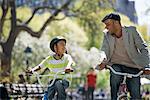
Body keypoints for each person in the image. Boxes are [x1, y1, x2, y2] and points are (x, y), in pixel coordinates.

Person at [96, 13, 150, 100]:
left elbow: (143, 48)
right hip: (116, 65)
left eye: (108, 24)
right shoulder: (107, 35)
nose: (106, 27)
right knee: (115, 78)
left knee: (136, 95)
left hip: (133, 66)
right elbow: (104, 50)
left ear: (116, 23)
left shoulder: (132, 31)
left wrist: (146, 66)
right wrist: (103, 61)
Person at [28, 36, 75, 100]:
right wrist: (32, 70)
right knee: (49, 94)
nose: (64, 47)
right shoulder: (49, 59)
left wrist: (68, 67)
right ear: (55, 47)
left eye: (64, 45)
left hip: (64, 80)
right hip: (53, 80)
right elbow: (40, 66)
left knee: (58, 83)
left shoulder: (67, 57)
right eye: (61, 44)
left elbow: (69, 62)